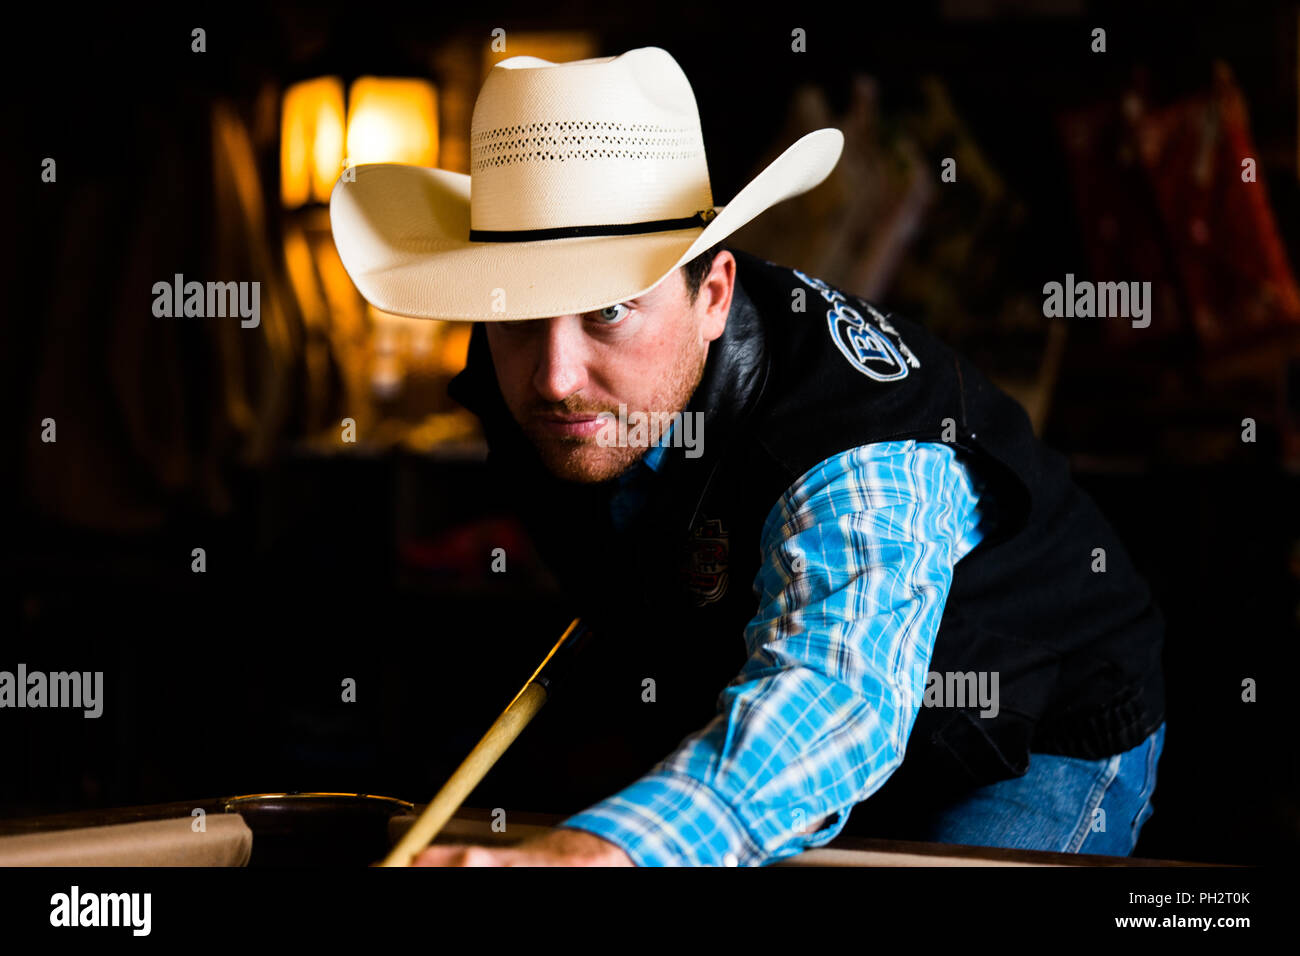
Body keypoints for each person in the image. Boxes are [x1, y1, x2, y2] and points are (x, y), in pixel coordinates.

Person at [330, 47, 1166, 867]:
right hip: (766, 714)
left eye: (610, 310)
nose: (555, 378)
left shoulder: (859, 445)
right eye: (517, 316)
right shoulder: (546, 380)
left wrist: (594, 854)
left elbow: (836, 703)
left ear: (714, 295)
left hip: (1032, 727)